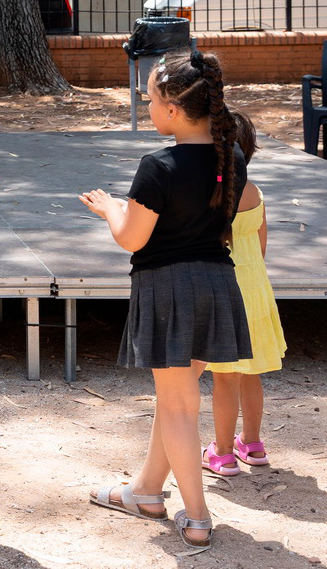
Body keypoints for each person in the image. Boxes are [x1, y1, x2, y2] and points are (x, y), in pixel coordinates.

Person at [81, 50, 251, 552]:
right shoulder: (232, 157)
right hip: (217, 284)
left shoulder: (157, 166)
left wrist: (111, 210)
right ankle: (146, 492)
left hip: (169, 288)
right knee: (176, 397)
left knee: (177, 404)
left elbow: (132, 238)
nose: (146, 106)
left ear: (173, 110)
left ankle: (197, 517)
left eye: (150, 99)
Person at [203, 109, 286, 476]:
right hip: (255, 292)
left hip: (223, 291)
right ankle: (251, 444)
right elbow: (261, 248)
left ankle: (221, 453)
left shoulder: (209, 195)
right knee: (251, 373)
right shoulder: (255, 193)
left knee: (225, 377)